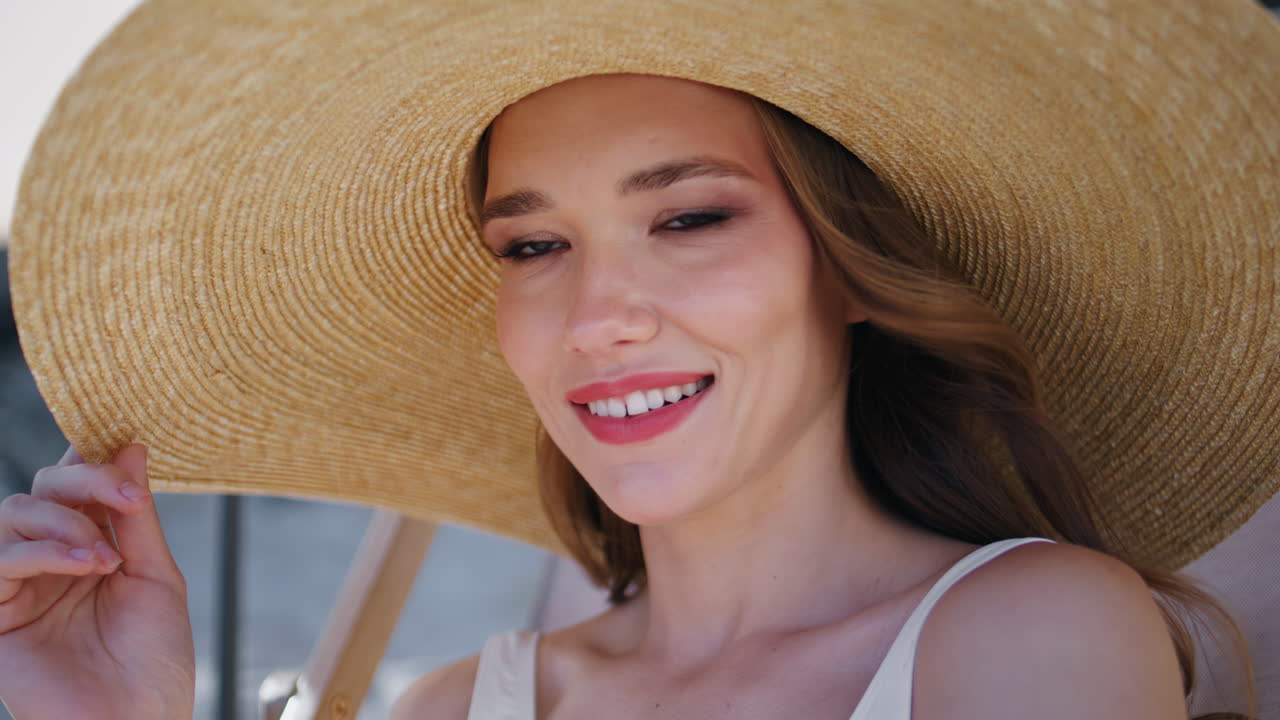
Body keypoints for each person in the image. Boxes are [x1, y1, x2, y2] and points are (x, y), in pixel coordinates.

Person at [2, 2, 1276, 719]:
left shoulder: (1027, 634)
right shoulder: (451, 710)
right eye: (534, 243)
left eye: (688, 217)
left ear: (843, 266)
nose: (594, 314)